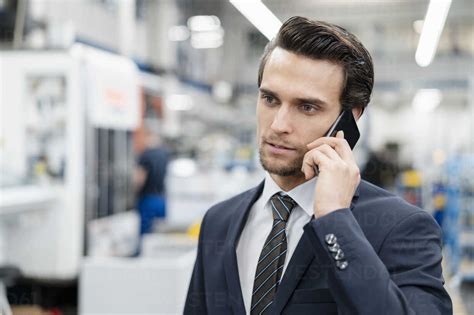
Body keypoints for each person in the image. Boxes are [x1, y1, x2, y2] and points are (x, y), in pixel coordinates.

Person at [184, 16, 452, 314]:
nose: (279, 124)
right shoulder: (218, 222)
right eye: (270, 99)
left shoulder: (400, 228)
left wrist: (335, 219)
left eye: (307, 107)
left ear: (349, 119)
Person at [134, 128, 169, 235]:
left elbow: (140, 178)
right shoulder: (165, 154)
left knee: (145, 233)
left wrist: (134, 192)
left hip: (148, 199)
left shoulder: (146, 155)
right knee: (159, 231)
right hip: (162, 199)